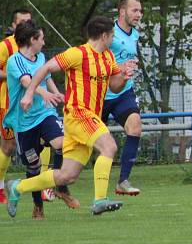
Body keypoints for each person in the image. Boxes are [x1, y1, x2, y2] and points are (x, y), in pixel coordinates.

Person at [5, 16, 136, 217]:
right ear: (104, 35)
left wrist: (124, 77)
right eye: (112, 36)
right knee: (109, 146)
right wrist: (30, 93)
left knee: (67, 176)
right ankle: (100, 200)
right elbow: (46, 68)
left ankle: (18, 187)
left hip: (90, 117)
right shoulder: (78, 53)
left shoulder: (108, 57)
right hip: (78, 114)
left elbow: (114, 86)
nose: (113, 40)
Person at [3, 21, 80, 218]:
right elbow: (27, 81)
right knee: (33, 165)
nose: (44, 42)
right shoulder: (15, 60)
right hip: (24, 122)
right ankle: (38, 206)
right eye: (42, 39)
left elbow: (46, 78)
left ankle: (61, 187)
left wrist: (56, 94)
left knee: (62, 144)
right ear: (32, 40)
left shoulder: (41, 57)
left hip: (45, 114)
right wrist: (43, 94)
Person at [102, 0, 144, 196]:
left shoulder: (135, 34)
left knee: (135, 127)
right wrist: (119, 68)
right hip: (101, 94)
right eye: (135, 10)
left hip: (124, 92)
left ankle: (123, 181)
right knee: (82, 144)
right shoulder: (108, 34)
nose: (138, 15)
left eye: (140, 11)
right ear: (122, 12)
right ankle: (56, 178)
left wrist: (126, 73)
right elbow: (96, 60)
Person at [0, 8, 32, 204]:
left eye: (29, 22)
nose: (25, 26)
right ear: (13, 26)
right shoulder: (5, 46)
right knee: (9, 146)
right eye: (21, 23)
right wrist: (15, 74)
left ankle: (42, 187)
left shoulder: (34, 43)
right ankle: (1, 187)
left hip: (30, 104)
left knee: (44, 141)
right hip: (8, 103)